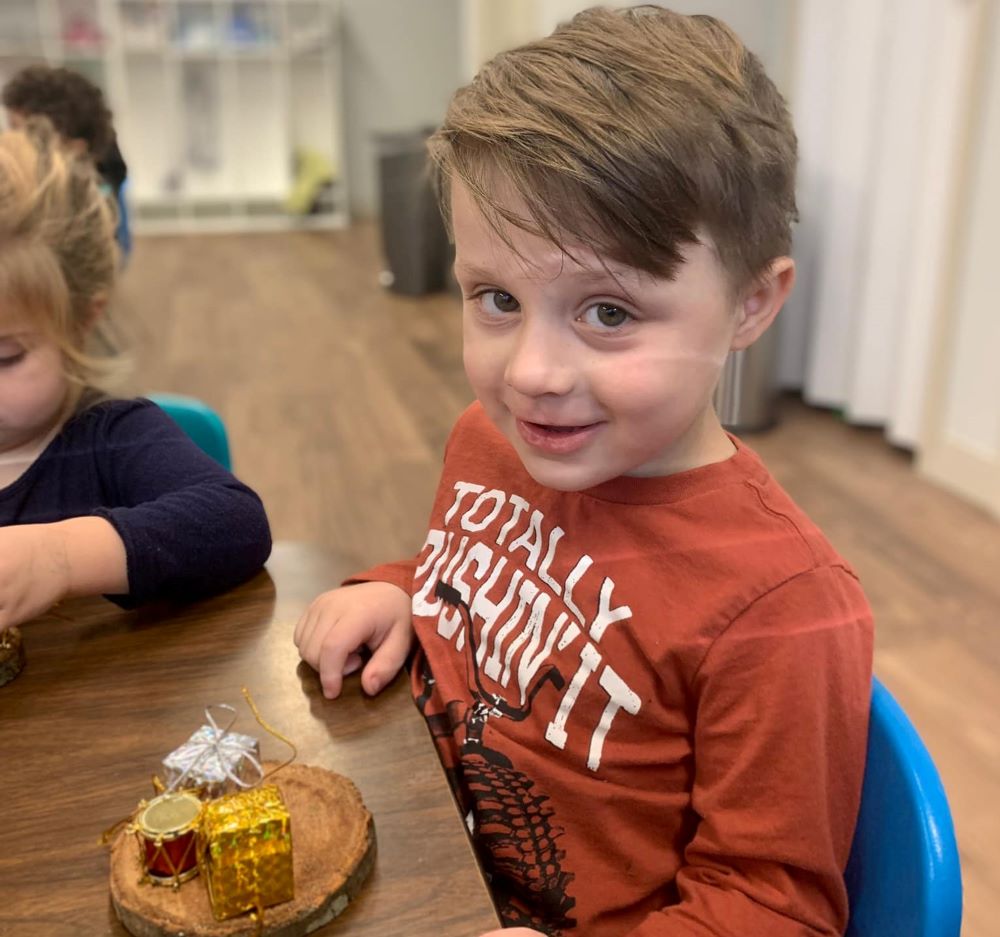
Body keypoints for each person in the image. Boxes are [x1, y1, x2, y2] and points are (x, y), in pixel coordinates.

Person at [294, 7, 874, 936]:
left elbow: (773, 904)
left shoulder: (784, 609)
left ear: (752, 303)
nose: (531, 372)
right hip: (418, 860)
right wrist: (402, 590)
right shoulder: (491, 441)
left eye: (608, 311)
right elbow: (479, 591)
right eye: (497, 298)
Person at [0, 118, 271, 631]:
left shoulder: (110, 438)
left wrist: (60, 557)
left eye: (5, 358)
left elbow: (237, 523)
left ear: (81, 321)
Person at [3, 64, 131, 257]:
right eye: (10, 130)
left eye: (25, 134)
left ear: (74, 148)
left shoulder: (90, 215)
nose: (9, 143)